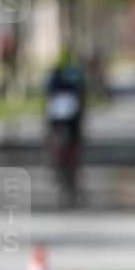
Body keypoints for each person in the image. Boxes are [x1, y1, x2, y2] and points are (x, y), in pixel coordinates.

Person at [44, 47, 87, 205]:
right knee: (77, 141)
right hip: (73, 113)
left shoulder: (54, 74)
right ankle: (75, 169)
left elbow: (48, 94)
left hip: (55, 113)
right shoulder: (76, 73)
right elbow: (82, 94)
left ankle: (53, 161)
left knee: (51, 134)